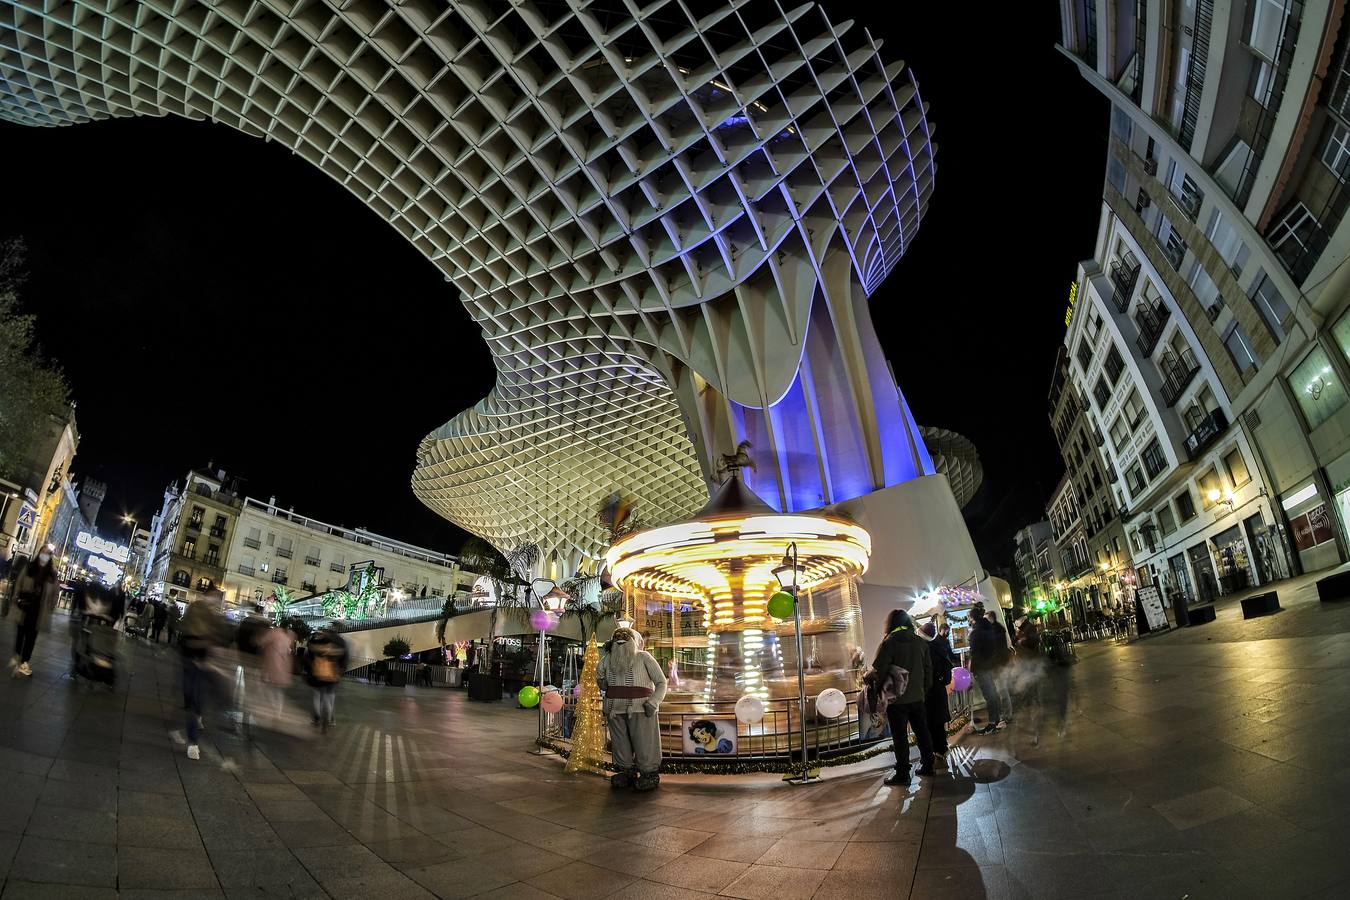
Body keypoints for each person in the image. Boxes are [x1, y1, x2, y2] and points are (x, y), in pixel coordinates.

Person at [597, 626, 667, 791]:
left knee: (645, 742)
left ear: (634, 641)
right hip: (614, 709)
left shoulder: (644, 657)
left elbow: (661, 682)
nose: (621, 638)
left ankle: (649, 773)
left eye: (625, 636)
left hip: (641, 708)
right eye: (617, 636)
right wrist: (601, 681)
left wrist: (654, 702)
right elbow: (600, 677)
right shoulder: (607, 659)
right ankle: (625, 771)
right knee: (619, 743)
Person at [870, 609, 934, 787]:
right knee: (922, 731)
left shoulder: (890, 643)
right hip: (917, 697)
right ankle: (928, 765)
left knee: (900, 737)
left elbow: (879, 671)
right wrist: (923, 690)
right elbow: (928, 670)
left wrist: (877, 693)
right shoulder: (920, 642)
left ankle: (903, 773)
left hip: (897, 699)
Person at [178, 591, 230, 760]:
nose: (215, 601)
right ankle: (193, 742)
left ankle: (193, 738)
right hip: (195, 662)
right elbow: (188, 638)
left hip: (200, 663)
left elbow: (220, 639)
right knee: (193, 698)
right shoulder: (199, 611)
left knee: (195, 698)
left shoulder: (212, 616)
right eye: (214, 597)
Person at [6, 548, 58, 678]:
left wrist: (51, 607)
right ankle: (17, 654)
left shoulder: (52, 574)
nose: (45, 555)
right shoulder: (29, 567)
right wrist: (15, 597)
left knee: (31, 637)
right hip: (24, 606)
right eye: (43, 552)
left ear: (50, 556)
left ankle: (24, 662)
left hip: (39, 610)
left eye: (48, 553)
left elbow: (55, 592)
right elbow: (19, 583)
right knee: (21, 632)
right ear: (39, 553)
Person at [920, 621, 959, 760]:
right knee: (938, 722)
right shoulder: (938, 646)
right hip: (939, 689)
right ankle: (942, 748)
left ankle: (937, 749)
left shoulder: (925, 649)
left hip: (930, 691)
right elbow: (946, 667)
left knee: (931, 722)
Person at [968, 609, 1005, 734]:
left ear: (973, 618)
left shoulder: (976, 633)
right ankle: (998, 720)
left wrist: (971, 668)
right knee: (993, 693)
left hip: (981, 668)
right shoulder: (989, 628)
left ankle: (992, 724)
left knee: (989, 695)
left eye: (969, 617)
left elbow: (974, 654)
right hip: (990, 665)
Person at [306, 627, 348, 731]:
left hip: (318, 673)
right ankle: (328, 720)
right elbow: (344, 658)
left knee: (318, 695)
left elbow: (309, 653)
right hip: (333, 674)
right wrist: (341, 671)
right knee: (328, 697)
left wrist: (308, 669)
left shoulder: (318, 642)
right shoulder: (340, 643)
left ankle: (318, 718)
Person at [258, 620, 295, 727]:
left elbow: (261, 642)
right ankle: (277, 713)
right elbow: (290, 649)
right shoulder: (290, 635)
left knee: (269, 688)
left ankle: (274, 710)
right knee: (278, 691)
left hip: (272, 663)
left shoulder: (275, 633)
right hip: (284, 664)